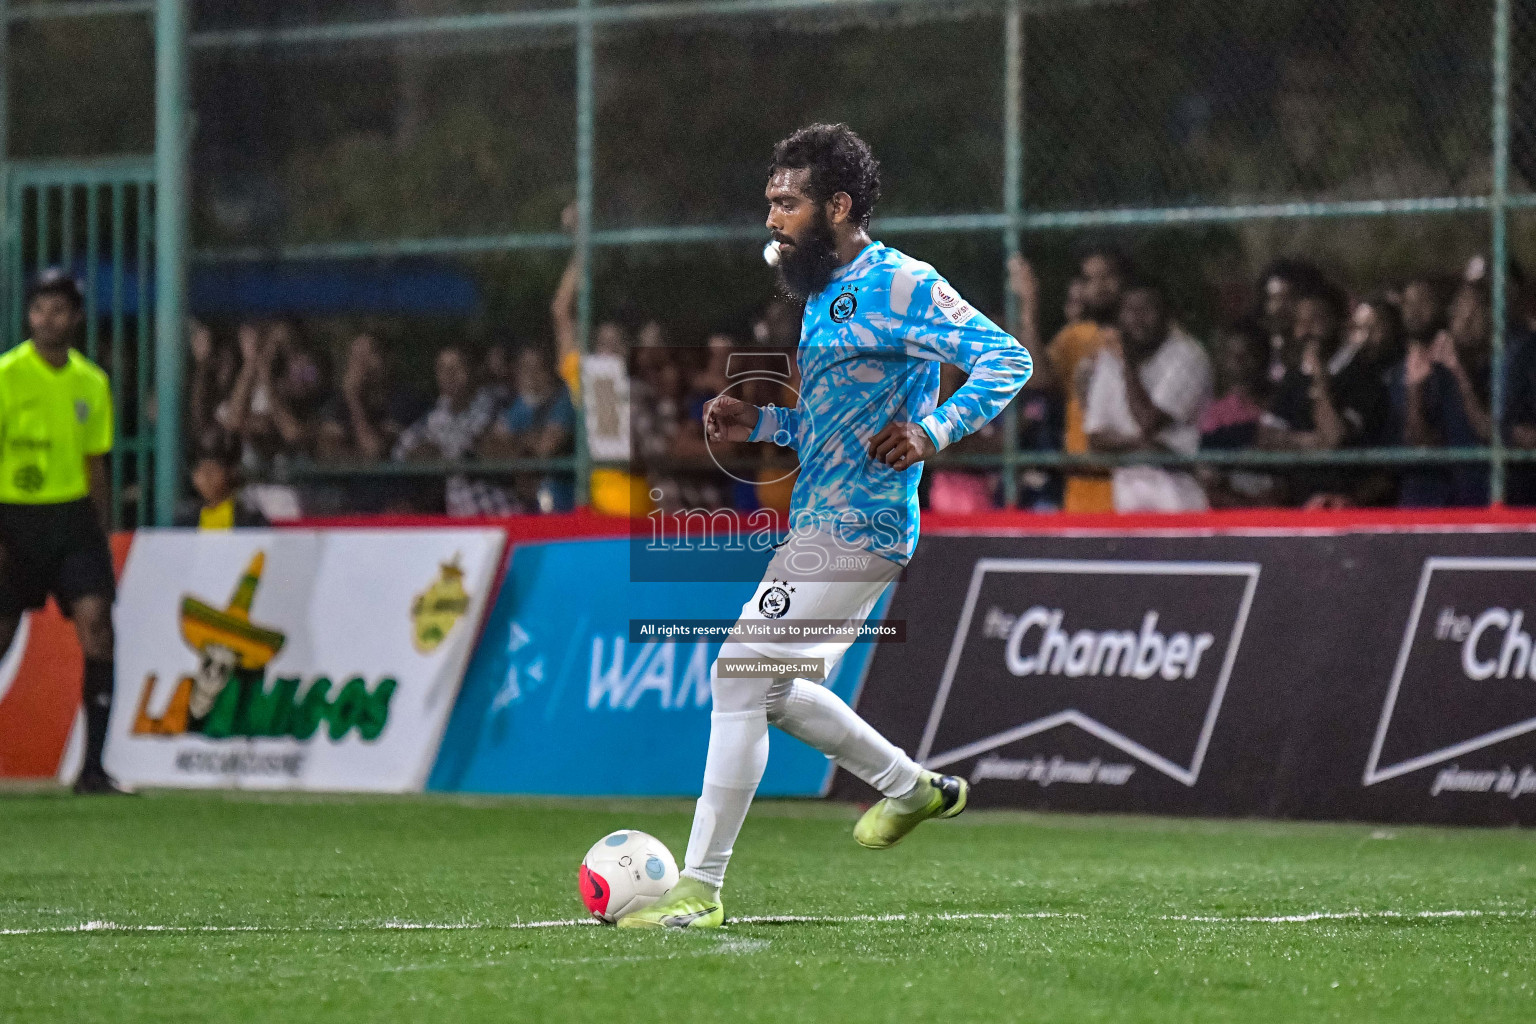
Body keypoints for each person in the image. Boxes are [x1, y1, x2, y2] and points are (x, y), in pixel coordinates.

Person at [619, 124, 1032, 930]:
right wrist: (764, 419)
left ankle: (699, 889)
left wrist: (932, 431)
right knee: (773, 689)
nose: (772, 219)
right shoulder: (818, 293)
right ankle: (913, 789)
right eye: (770, 200)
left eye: (788, 202)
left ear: (838, 206)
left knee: (738, 673)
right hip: (819, 523)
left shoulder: (904, 284)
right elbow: (836, 426)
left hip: (865, 524)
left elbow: (1006, 358)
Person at [0, 271, 124, 794]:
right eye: (38, 309)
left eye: (57, 309)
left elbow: (96, 463)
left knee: (98, 627)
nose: (46, 319)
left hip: (72, 520)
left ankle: (93, 768)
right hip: (12, 517)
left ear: (75, 318)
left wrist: (100, 529)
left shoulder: (91, 382)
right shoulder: (7, 373)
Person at [1082, 278, 1213, 511]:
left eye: (1147, 309)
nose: (1138, 319)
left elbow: (1147, 420)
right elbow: (1095, 441)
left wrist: (1127, 365)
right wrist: (1145, 448)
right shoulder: (1110, 360)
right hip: (1127, 493)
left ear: (1167, 314)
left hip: (1180, 490)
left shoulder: (1188, 354)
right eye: (1130, 310)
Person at [1259, 280, 1389, 506]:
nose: (1306, 330)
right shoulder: (1294, 376)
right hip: (1301, 507)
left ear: (1339, 323)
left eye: (1315, 320)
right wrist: (1311, 443)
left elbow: (1334, 437)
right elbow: (1266, 439)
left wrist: (1319, 375)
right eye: (1301, 322)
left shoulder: (1363, 374)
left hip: (1348, 506)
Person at [1392, 282, 1495, 506]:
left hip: (1481, 497)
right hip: (1429, 501)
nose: (1467, 321)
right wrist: (1415, 387)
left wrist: (1458, 371)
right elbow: (1419, 440)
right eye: (1460, 312)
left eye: (1477, 312)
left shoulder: (1500, 369)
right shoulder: (1414, 368)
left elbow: (1489, 431)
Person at [1046, 244, 1128, 513]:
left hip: (1138, 487)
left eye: (1107, 276)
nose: (1100, 286)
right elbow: (1037, 381)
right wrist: (1029, 305)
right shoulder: (1075, 336)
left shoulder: (1145, 338)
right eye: (1090, 279)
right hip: (1083, 491)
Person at [392, 346, 509, 516]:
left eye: (456, 368)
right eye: (443, 369)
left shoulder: (495, 404)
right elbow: (400, 452)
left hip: (498, 512)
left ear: (473, 370)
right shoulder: (435, 415)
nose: (449, 375)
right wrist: (430, 454)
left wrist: (439, 453)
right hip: (459, 519)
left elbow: (466, 449)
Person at [479, 346, 577, 513]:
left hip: (564, 500)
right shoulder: (517, 404)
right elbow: (490, 449)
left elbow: (546, 447)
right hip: (525, 501)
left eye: (537, 367)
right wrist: (526, 445)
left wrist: (514, 446)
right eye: (525, 367)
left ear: (549, 370)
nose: (531, 374)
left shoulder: (564, 400)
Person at [1198, 320, 1277, 508]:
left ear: (1264, 357)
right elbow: (1210, 478)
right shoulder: (1214, 414)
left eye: (1248, 354)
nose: (1239, 362)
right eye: (1233, 355)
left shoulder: (1282, 402)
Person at [178, 435, 268, 529]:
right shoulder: (186, 520)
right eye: (201, 471)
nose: (206, 479)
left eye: (212, 471)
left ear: (231, 473)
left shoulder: (249, 518)